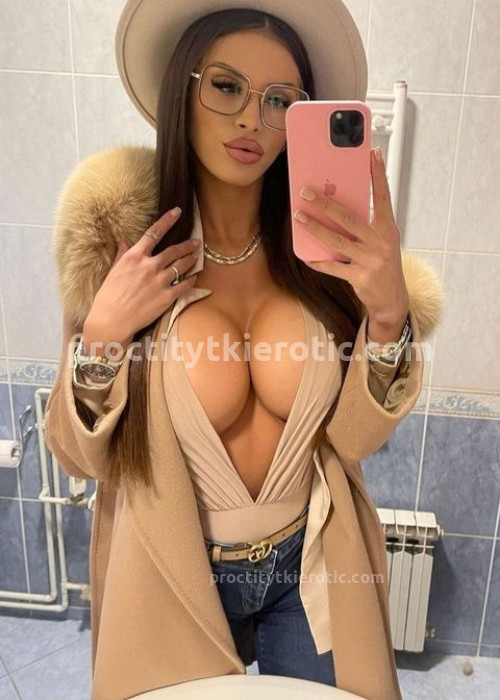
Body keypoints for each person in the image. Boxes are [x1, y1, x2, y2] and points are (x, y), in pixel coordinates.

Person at [45, 2, 444, 699]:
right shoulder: (122, 251)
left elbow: (354, 440)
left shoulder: (330, 263)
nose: (252, 120)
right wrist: (102, 335)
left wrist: (387, 317)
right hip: (173, 573)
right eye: (226, 86)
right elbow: (79, 458)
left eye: (280, 100)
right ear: (183, 89)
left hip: (311, 563)